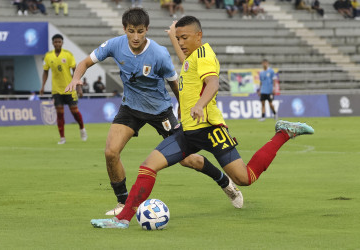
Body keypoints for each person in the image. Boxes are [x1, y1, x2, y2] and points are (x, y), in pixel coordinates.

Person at [89, 16, 314, 229]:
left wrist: (200, 105)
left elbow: (213, 83)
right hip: (188, 132)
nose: (181, 42)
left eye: (184, 38)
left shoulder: (205, 56)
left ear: (199, 35)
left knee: (245, 178)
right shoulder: (192, 58)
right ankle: (123, 219)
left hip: (210, 130)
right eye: (178, 38)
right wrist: (172, 38)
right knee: (148, 166)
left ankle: (283, 133)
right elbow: (186, 63)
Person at [65, 8, 243, 217]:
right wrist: (76, 78)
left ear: (147, 29)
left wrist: (185, 113)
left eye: (141, 31)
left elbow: (176, 85)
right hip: (130, 108)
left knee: (188, 159)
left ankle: (224, 181)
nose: (136, 37)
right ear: (125, 29)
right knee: (111, 152)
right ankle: (123, 202)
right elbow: (85, 62)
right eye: (131, 31)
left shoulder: (158, 54)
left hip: (160, 111)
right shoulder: (115, 45)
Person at [40, 34, 87, 145]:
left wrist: (79, 88)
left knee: (74, 111)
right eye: (55, 42)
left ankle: (82, 129)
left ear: (62, 43)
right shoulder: (48, 56)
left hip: (70, 89)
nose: (57, 44)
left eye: (59, 42)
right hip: (56, 90)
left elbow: (76, 72)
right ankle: (62, 138)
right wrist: (42, 86)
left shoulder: (68, 55)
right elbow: (45, 72)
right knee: (60, 114)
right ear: (52, 43)